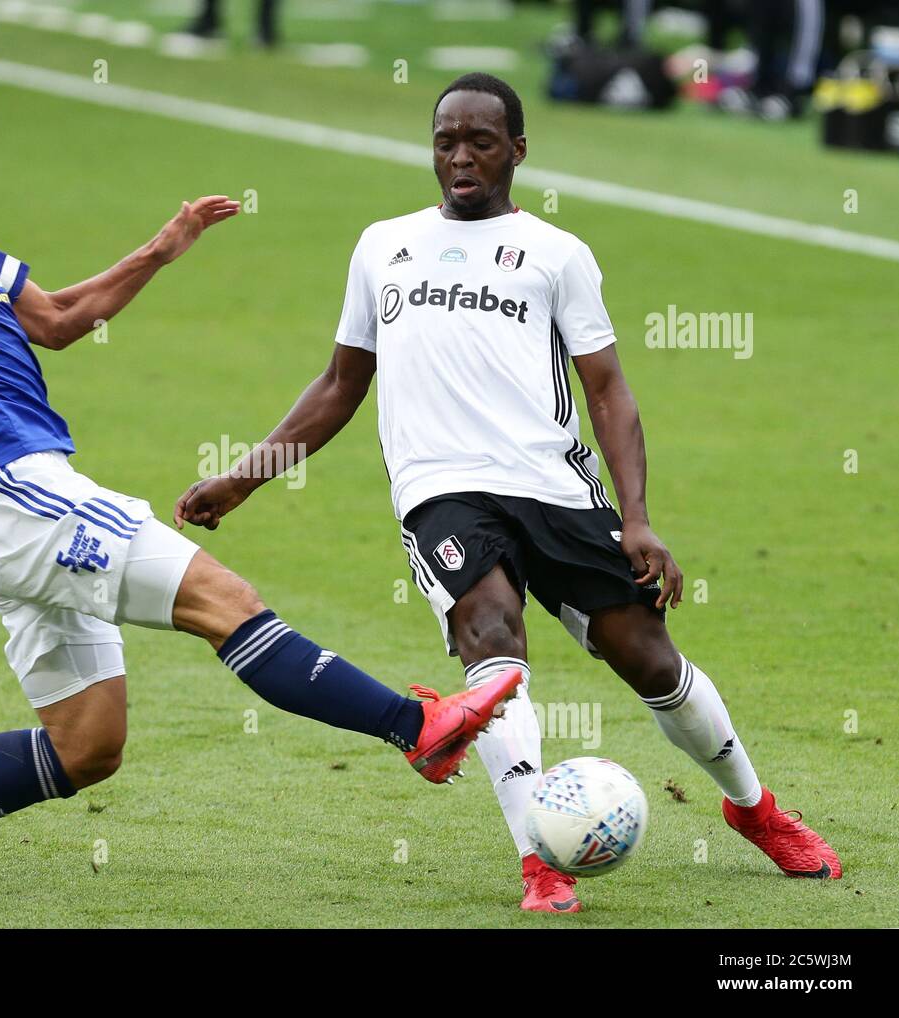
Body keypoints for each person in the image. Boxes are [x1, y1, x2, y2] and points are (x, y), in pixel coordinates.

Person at [0, 64, 521, 887]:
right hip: (16, 490)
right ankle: (414, 727)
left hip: (6, 514)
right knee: (227, 602)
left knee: (85, 749)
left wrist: (161, 250)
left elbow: (62, 320)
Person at [174, 72, 842, 914]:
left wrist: (636, 520)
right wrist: (246, 475)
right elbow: (342, 382)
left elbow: (608, 391)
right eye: (445, 140)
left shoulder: (558, 255)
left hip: (553, 487)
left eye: (480, 141)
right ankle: (541, 860)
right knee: (491, 640)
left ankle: (755, 809)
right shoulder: (383, 245)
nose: (460, 157)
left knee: (649, 659)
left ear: (517, 151)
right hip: (443, 492)